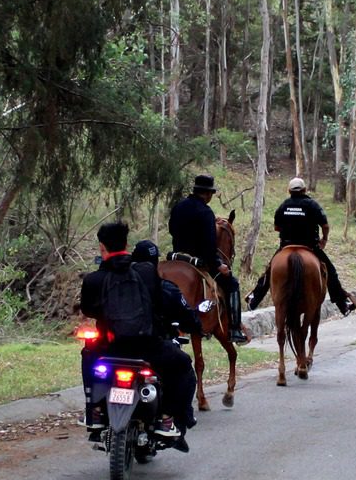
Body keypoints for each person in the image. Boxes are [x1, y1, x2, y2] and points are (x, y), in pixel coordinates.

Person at [78, 222, 196, 448]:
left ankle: (94, 410)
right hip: (147, 348)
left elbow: (88, 310)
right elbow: (162, 305)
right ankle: (166, 418)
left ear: (102, 247)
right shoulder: (148, 274)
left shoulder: (93, 280)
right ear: (126, 245)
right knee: (183, 366)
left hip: (108, 349)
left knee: (88, 353)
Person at [247, 177, 356, 315]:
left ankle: (254, 299)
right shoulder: (313, 205)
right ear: (305, 190)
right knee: (331, 272)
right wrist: (324, 239)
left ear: (289, 191)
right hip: (310, 246)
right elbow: (325, 225)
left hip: (286, 246)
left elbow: (277, 227)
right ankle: (343, 303)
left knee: (269, 272)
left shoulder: (283, 206)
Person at [168, 174, 248, 344]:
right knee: (232, 284)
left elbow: (172, 231)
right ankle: (234, 329)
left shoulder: (178, 207)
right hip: (198, 262)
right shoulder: (205, 212)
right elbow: (209, 246)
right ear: (208, 194)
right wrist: (219, 265)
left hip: (176, 259)